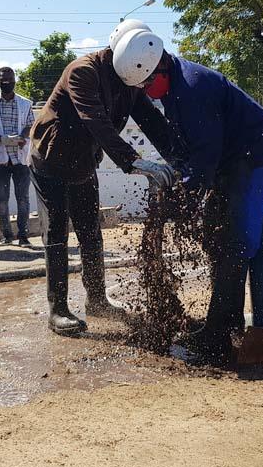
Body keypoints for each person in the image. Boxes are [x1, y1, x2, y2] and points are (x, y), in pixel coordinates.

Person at [116, 27, 263, 362]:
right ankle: (226, 322)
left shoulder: (192, 88)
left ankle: (219, 336)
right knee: (214, 235)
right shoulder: (174, 85)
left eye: (148, 86)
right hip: (228, 156)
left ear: (158, 66)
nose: (148, 94)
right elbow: (189, 151)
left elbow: (203, 161)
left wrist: (179, 198)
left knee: (235, 239)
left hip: (254, 153)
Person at [29, 19, 177, 336]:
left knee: (90, 231)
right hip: (50, 161)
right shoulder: (82, 71)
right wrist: (134, 161)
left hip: (83, 162)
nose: (137, 87)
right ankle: (58, 310)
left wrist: (177, 157)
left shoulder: (130, 79)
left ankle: (97, 301)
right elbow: (96, 122)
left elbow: (152, 121)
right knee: (56, 232)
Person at [0, 67, 35, 247]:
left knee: (23, 199)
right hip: (0, 159)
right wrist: (3, 139)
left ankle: (23, 236)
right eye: (3, 80)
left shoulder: (25, 103)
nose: (7, 83)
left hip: (20, 158)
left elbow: (30, 125)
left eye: (10, 79)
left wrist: (22, 137)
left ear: (15, 80)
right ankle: (7, 236)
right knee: (2, 198)